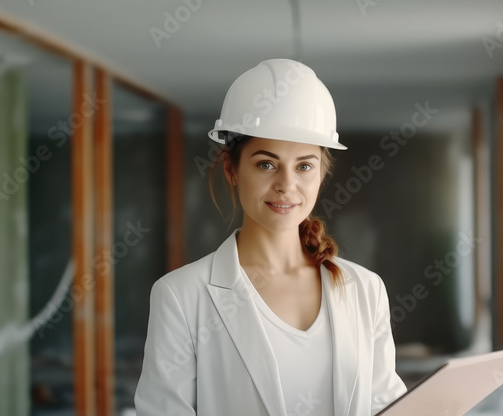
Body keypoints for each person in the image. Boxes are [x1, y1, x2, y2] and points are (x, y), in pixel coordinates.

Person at [134, 58, 407, 416]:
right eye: (266, 164)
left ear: (322, 173)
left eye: (304, 166)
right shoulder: (182, 297)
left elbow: (387, 406)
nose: (286, 185)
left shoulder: (366, 290)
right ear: (231, 169)